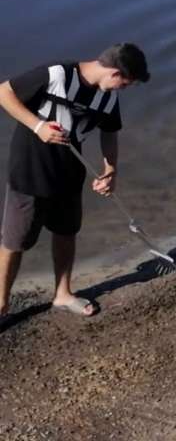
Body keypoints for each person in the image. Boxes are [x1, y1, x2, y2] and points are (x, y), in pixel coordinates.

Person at [0, 44, 150, 319]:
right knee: (15, 240)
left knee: (66, 231)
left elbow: (109, 133)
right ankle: (1, 304)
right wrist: (38, 126)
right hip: (30, 171)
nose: (122, 90)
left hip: (70, 172)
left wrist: (110, 170)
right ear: (114, 73)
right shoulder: (57, 74)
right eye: (124, 85)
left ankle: (63, 294)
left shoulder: (107, 99)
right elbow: (4, 92)